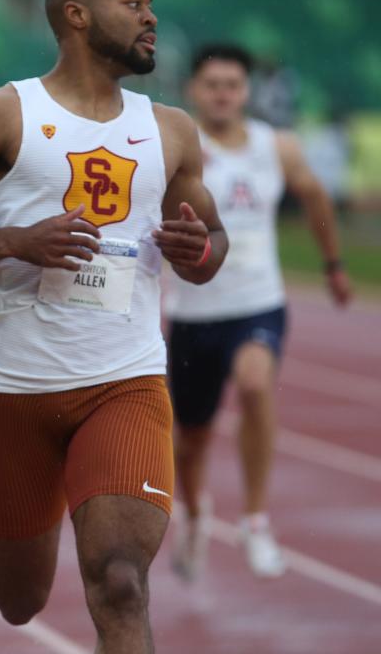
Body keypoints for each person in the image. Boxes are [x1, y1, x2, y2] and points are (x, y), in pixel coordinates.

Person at [0, 0, 227, 654]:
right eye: (134, 3)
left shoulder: (171, 130)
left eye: (152, 4)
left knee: (120, 581)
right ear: (76, 15)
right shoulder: (1, 113)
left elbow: (211, 245)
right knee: (20, 600)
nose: (151, 17)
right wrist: (14, 240)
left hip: (125, 380)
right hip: (20, 388)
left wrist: (201, 251)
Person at [166, 44, 351, 580]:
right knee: (192, 437)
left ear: (247, 92)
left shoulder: (278, 146)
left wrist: (333, 264)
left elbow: (315, 196)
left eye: (232, 85)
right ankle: (195, 514)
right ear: (193, 91)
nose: (223, 94)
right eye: (212, 85)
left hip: (258, 304)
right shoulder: (181, 147)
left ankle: (254, 520)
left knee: (254, 383)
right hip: (195, 312)